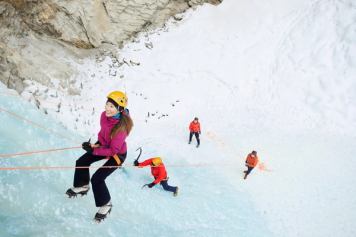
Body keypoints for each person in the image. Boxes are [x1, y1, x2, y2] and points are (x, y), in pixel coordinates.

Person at [66, 91, 133, 222]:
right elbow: (103, 133)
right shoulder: (104, 115)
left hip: (118, 154)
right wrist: (93, 145)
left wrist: (95, 151)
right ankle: (82, 185)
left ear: (119, 109)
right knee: (81, 161)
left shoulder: (121, 129)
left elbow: (113, 150)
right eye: (107, 104)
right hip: (103, 145)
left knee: (97, 178)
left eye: (112, 106)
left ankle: (106, 204)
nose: (107, 108)